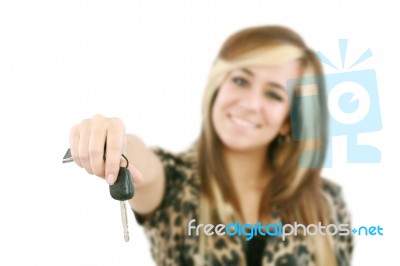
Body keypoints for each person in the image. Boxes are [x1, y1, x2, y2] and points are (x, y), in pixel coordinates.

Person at [68, 25, 353, 266]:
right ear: (218, 87)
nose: (250, 104)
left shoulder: (326, 203)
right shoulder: (177, 183)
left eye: (274, 95)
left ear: (287, 122)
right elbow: (145, 165)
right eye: (241, 80)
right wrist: (115, 142)